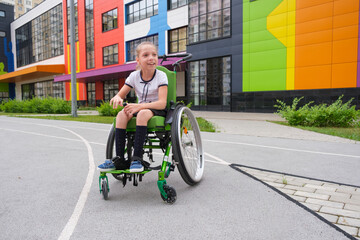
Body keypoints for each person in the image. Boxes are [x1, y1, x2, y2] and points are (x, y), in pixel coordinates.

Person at [98, 42, 168, 173]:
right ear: (138, 60)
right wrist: (118, 97)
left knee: (141, 114)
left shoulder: (161, 76)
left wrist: (140, 106)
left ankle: (137, 159)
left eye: (154, 54)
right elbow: (120, 94)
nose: (151, 58)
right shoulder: (134, 76)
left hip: (156, 109)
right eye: (146, 55)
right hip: (140, 108)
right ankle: (119, 158)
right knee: (121, 115)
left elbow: (162, 103)